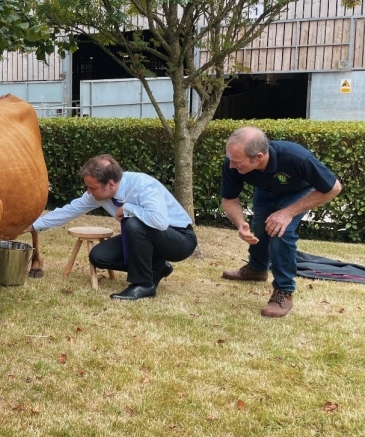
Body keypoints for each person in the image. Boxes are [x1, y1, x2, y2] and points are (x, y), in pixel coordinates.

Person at [30, 154, 198, 301]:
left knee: (134, 223)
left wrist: (128, 208)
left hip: (180, 239)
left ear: (110, 184)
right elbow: (69, 211)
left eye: (92, 187)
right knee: (99, 257)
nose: (88, 192)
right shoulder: (97, 194)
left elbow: (160, 222)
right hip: (153, 237)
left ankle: (144, 284)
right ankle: (157, 265)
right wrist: (31, 226)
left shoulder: (143, 186)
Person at [220, 126, 341, 318]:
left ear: (258, 157)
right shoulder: (232, 162)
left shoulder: (297, 158)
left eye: (237, 162)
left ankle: (284, 291)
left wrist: (288, 212)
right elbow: (229, 199)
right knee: (260, 227)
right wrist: (240, 223)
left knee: (280, 231)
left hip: (298, 193)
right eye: (230, 159)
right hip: (265, 190)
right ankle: (257, 269)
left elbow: (333, 187)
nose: (231, 166)